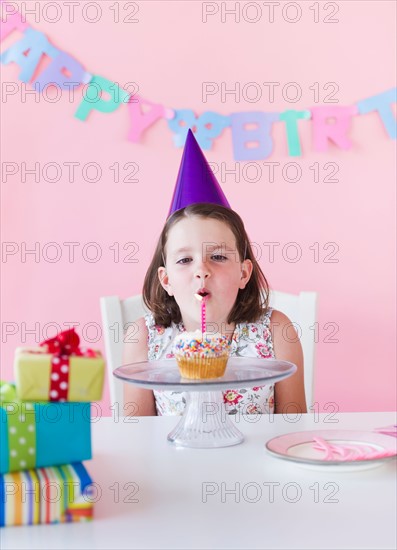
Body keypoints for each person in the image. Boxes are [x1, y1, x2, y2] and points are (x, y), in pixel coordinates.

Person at [123, 131, 306, 416]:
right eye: (184, 260)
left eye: (218, 256)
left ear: (244, 273)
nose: (202, 271)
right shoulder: (145, 336)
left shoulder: (276, 330)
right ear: (166, 279)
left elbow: (293, 428)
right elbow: (135, 436)